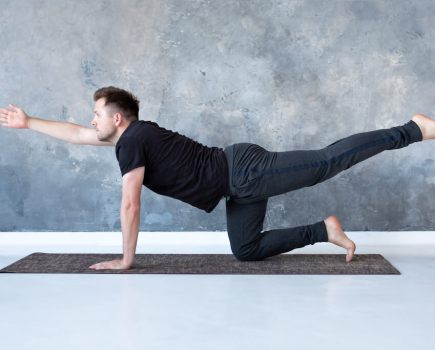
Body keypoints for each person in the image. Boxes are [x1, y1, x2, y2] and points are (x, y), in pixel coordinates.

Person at [0, 86, 432, 270]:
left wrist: (126, 258)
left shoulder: (132, 141)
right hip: (234, 184)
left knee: (324, 163)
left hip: (244, 171)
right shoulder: (133, 137)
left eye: (96, 113)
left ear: (116, 118)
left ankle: (412, 129)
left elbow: (130, 203)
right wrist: (29, 122)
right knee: (245, 250)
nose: (90, 120)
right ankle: (323, 230)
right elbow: (76, 135)